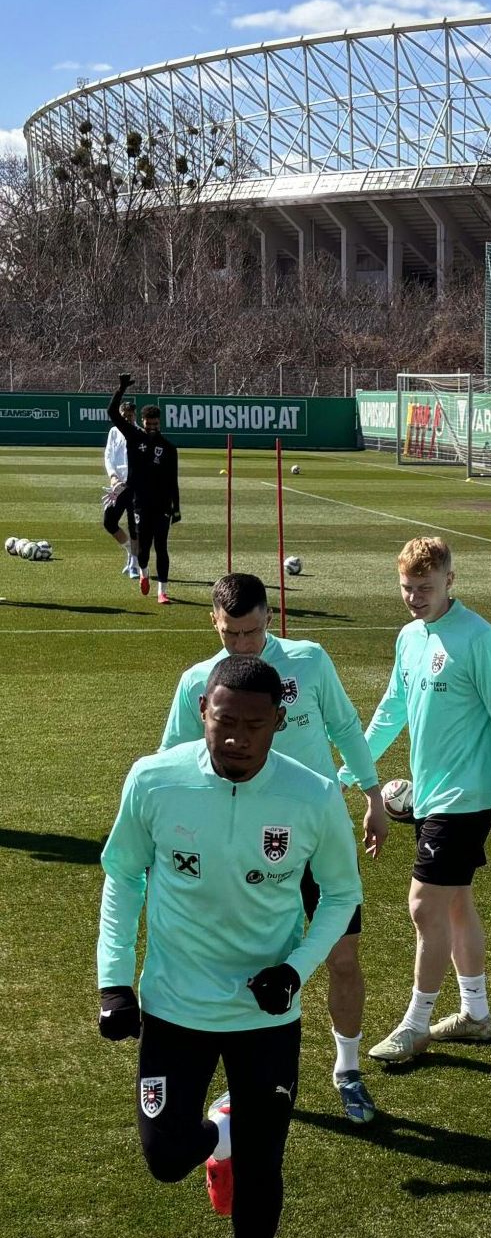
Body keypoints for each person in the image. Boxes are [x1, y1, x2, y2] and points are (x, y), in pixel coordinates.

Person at [97, 653, 362, 1238]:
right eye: (223, 722)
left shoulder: (311, 796)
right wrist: (113, 981)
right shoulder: (154, 779)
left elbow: (341, 894)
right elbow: (122, 872)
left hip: (264, 1016)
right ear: (201, 716)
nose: (236, 738)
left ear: (279, 723)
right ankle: (219, 1136)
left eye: (253, 725)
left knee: (266, 1163)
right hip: (176, 1007)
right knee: (163, 1158)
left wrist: (295, 970)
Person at [159, 572, 390, 1123]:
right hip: (238, 848)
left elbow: (345, 725)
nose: (242, 646)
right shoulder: (198, 682)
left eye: (252, 633)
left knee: (342, 956)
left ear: (271, 618)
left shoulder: (309, 661)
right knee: (247, 960)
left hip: (318, 837)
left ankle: (347, 1069)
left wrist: (374, 795)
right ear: (213, 624)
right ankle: (246, 1077)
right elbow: (168, 762)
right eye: (230, 635)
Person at [356, 537, 491, 1063]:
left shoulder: (480, 639)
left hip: (467, 798)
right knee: (455, 904)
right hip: (431, 795)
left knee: (422, 903)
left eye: (424, 588)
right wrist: (352, 770)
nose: (414, 597)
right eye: (407, 588)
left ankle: (415, 1024)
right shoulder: (409, 637)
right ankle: (476, 1014)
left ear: (450, 581)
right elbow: (391, 710)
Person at [108, 373, 180, 604]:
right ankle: (144, 573)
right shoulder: (133, 435)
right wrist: (121, 389)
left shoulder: (169, 448)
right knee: (145, 546)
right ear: (143, 422)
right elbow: (112, 413)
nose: (152, 428)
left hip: (162, 504)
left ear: (160, 423)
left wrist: (176, 507)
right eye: (149, 424)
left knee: (162, 546)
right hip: (140, 501)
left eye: (156, 425)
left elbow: (173, 479)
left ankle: (163, 591)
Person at [103, 402, 139, 579]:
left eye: (130, 415)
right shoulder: (114, 432)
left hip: (135, 486)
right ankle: (129, 552)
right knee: (109, 521)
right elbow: (109, 456)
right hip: (117, 485)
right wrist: (113, 477)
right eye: (124, 415)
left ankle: (134, 563)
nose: (127, 418)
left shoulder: (140, 433)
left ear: (135, 415)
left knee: (135, 526)